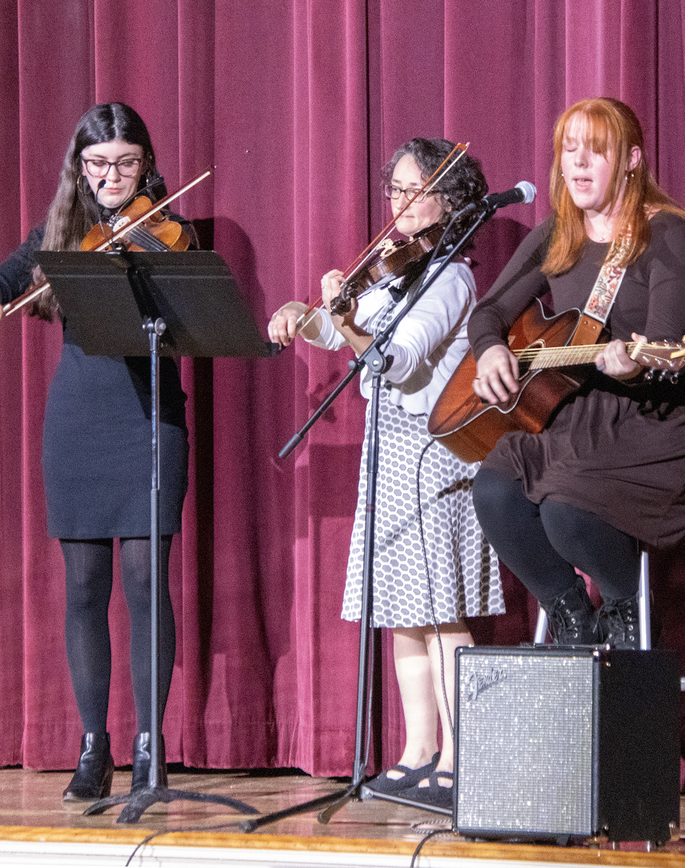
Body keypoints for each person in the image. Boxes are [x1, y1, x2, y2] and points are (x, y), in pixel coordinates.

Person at [0, 103, 194, 802]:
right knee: (85, 587)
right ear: (79, 167)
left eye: (126, 163)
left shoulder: (169, 230)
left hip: (150, 417)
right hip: (79, 424)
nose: (112, 177)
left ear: (147, 163)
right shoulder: (61, 232)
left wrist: (138, 248)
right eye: (97, 164)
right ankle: (94, 745)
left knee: (148, 582)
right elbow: (0, 280)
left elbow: (189, 310)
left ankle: (150, 744)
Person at [268, 138, 503, 810]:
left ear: (449, 202)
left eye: (413, 190)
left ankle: (460, 758)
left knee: (442, 613)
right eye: (393, 190)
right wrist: (306, 317)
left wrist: (342, 320)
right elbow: (346, 331)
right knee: (403, 614)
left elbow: (396, 359)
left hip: (436, 451)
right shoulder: (393, 272)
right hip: (389, 452)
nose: (398, 204)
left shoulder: (452, 277)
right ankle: (417, 750)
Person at [469, 97, 685, 650]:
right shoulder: (557, 234)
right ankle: (570, 614)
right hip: (577, 422)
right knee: (494, 488)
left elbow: (667, 350)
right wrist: (490, 349)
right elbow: (488, 312)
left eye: (597, 150)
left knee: (565, 508)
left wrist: (633, 365)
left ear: (631, 160)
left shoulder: (669, 236)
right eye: (569, 149)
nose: (579, 163)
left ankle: (624, 605)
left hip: (660, 425)